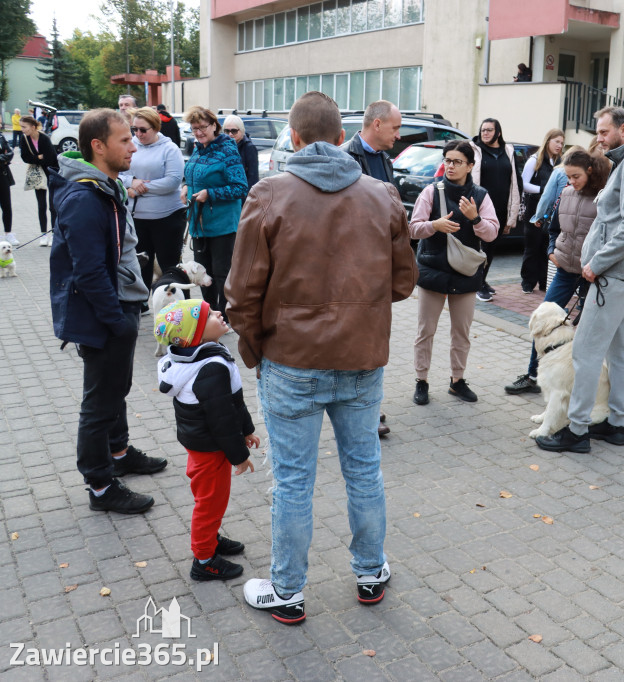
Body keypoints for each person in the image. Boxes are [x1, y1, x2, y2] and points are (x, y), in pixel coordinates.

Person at [225, 91, 417, 622]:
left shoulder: (269, 194)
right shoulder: (382, 195)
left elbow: (241, 293)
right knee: (364, 470)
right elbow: (403, 281)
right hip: (360, 358)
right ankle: (370, 571)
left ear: (292, 137)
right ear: (340, 138)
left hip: (291, 361)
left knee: (292, 481)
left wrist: (255, 347)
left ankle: (288, 590)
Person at [49, 108, 167, 514]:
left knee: (116, 389)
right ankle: (100, 484)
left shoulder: (106, 185)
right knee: (99, 401)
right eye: (124, 140)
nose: (133, 146)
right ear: (98, 146)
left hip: (122, 305)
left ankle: (118, 453)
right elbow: (88, 270)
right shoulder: (85, 196)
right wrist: (116, 320)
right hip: (106, 312)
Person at [535, 106, 624, 453]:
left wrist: (597, 263)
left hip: (612, 275)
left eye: (604, 132)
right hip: (621, 275)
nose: (599, 138)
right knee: (618, 349)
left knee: (585, 350)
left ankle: (576, 431)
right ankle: (616, 423)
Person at [153, 299, 257, 581]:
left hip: (204, 444)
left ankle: (209, 540)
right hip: (211, 449)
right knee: (210, 503)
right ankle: (204, 559)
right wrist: (239, 455)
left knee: (210, 500)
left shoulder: (205, 354)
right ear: (194, 335)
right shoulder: (210, 368)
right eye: (209, 315)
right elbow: (221, 420)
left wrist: (246, 429)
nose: (219, 313)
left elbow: (232, 401)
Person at [505, 148, 611, 395]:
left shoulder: (605, 198)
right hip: (565, 270)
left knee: (585, 331)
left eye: (576, 176)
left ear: (590, 171)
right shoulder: (565, 193)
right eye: (568, 177)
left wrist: (597, 266)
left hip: (592, 274)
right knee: (544, 321)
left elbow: (610, 237)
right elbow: (552, 229)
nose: (571, 182)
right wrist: (552, 252)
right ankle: (533, 376)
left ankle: (578, 382)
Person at [409, 140, 500, 405]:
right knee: (425, 331)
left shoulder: (480, 196)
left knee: (461, 332)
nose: (450, 166)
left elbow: (492, 233)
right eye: (447, 160)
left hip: (465, 273)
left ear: (470, 166)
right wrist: (434, 225)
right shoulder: (430, 191)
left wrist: (475, 219)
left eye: (457, 161)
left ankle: (457, 381)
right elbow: (413, 228)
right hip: (432, 270)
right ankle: (421, 380)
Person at [341, 99, 403, 438]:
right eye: (395, 127)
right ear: (376, 125)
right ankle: (361, 411)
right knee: (357, 337)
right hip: (354, 267)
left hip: (379, 264)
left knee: (375, 339)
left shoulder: (384, 159)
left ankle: (367, 406)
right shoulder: (348, 158)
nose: (398, 134)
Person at [181, 106, 248, 322]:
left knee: (221, 273)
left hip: (222, 224)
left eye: (202, 127)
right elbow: (191, 173)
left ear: (214, 126)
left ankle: (223, 316)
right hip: (199, 223)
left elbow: (240, 187)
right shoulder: (198, 147)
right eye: (194, 129)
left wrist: (210, 193)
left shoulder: (227, 149)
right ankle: (207, 314)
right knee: (202, 272)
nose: (198, 132)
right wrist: (185, 186)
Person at [121, 107, 187, 294]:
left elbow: (173, 181)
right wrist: (132, 182)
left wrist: (142, 188)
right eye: (135, 129)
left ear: (156, 128)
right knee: (140, 263)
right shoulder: (130, 145)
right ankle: (140, 303)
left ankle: (177, 305)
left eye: (143, 130)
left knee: (170, 265)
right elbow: (119, 173)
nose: (138, 134)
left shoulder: (169, 148)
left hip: (167, 217)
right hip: (138, 217)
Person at [469, 118, 520, 302]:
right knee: (481, 248)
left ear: (498, 132)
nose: (485, 133)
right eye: (483, 130)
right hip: (481, 209)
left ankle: (482, 280)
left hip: (501, 209)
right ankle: (477, 284)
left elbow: (515, 182)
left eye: (489, 130)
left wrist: (512, 214)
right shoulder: (475, 150)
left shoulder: (508, 151)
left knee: (491, 248)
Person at [520, 128, 564, 293]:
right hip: (534, 209)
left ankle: (545, 282)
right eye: (556, 142)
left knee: (547, 246)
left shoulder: (559, 161)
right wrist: (544, 189)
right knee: (532, 246)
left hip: (551, 211)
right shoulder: (534, 160)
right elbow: (523, 184)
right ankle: (527, 282)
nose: (559, 145)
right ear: (548, 141)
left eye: (561, 142)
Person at [19, 116, 59, 246]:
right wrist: (38, 157)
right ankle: (43, 234)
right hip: (37, 175)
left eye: (24, 127)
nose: (22, 129)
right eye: (21, 126)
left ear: (33, 127)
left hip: (51, 173)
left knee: (53, 206)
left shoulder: (45, 138)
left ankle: (54, 234)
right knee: (41, 206)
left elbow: (50, 158)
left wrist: (35, 158)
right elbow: (25, 157)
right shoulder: (24, 139)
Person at [342, 99, 401, 185]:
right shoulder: (343, 158)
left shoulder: (386, 160)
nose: (398, 136)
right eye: (395, 128)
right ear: (377, 125)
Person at [222, 115, 259, 190]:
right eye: (227, 131)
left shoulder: (249, 148)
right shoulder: (222, 147)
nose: (230, 134)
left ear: (241, 130)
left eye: (234, 131)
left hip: (242, 194)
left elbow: (253, 177)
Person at [0, 133, 14, 244]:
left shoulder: (1, 137)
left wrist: (3, 157)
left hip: (3, 174)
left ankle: (8, 233)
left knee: (6, 205)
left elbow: (10, 152)